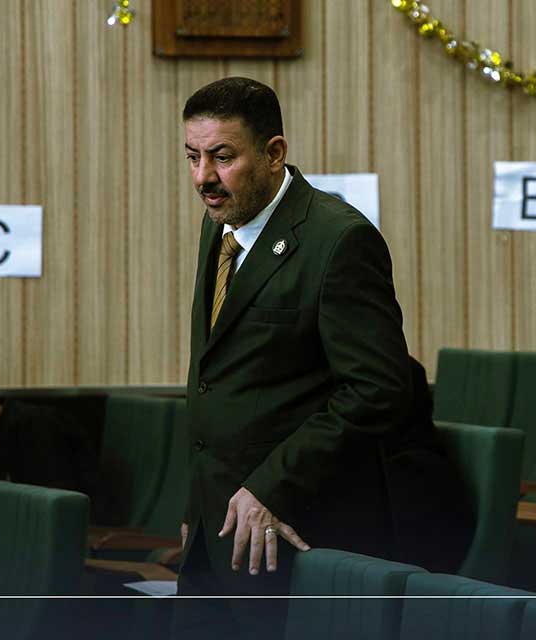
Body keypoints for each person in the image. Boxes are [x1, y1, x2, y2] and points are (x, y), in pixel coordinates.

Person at [175, 77, 419, 637]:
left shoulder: (338, 240)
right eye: (192, 157)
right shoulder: (222, 224)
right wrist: (197, 506)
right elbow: (217, 380)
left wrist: (272, 487)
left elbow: (379, 390)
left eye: (222, 157)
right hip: (217, 526)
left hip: (293, 529)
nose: (203, 177)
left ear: (274, 153)